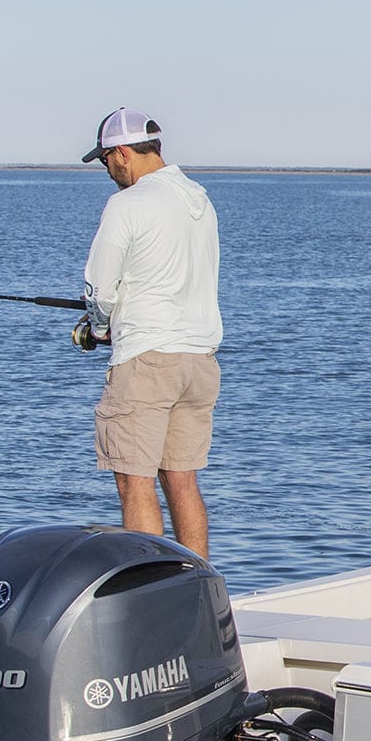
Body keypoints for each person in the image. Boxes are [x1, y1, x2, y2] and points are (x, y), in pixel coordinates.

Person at [77, 108, 223, 557]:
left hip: (146, 361)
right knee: (182, 480)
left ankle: (148, 588)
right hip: (199, 361)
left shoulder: (127, 204)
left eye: (106, 161)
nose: (108, 171)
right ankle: (199, 580)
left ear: (122, 153)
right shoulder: (198, 199)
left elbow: (99, 288)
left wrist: (98, 327)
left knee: (134, 481)